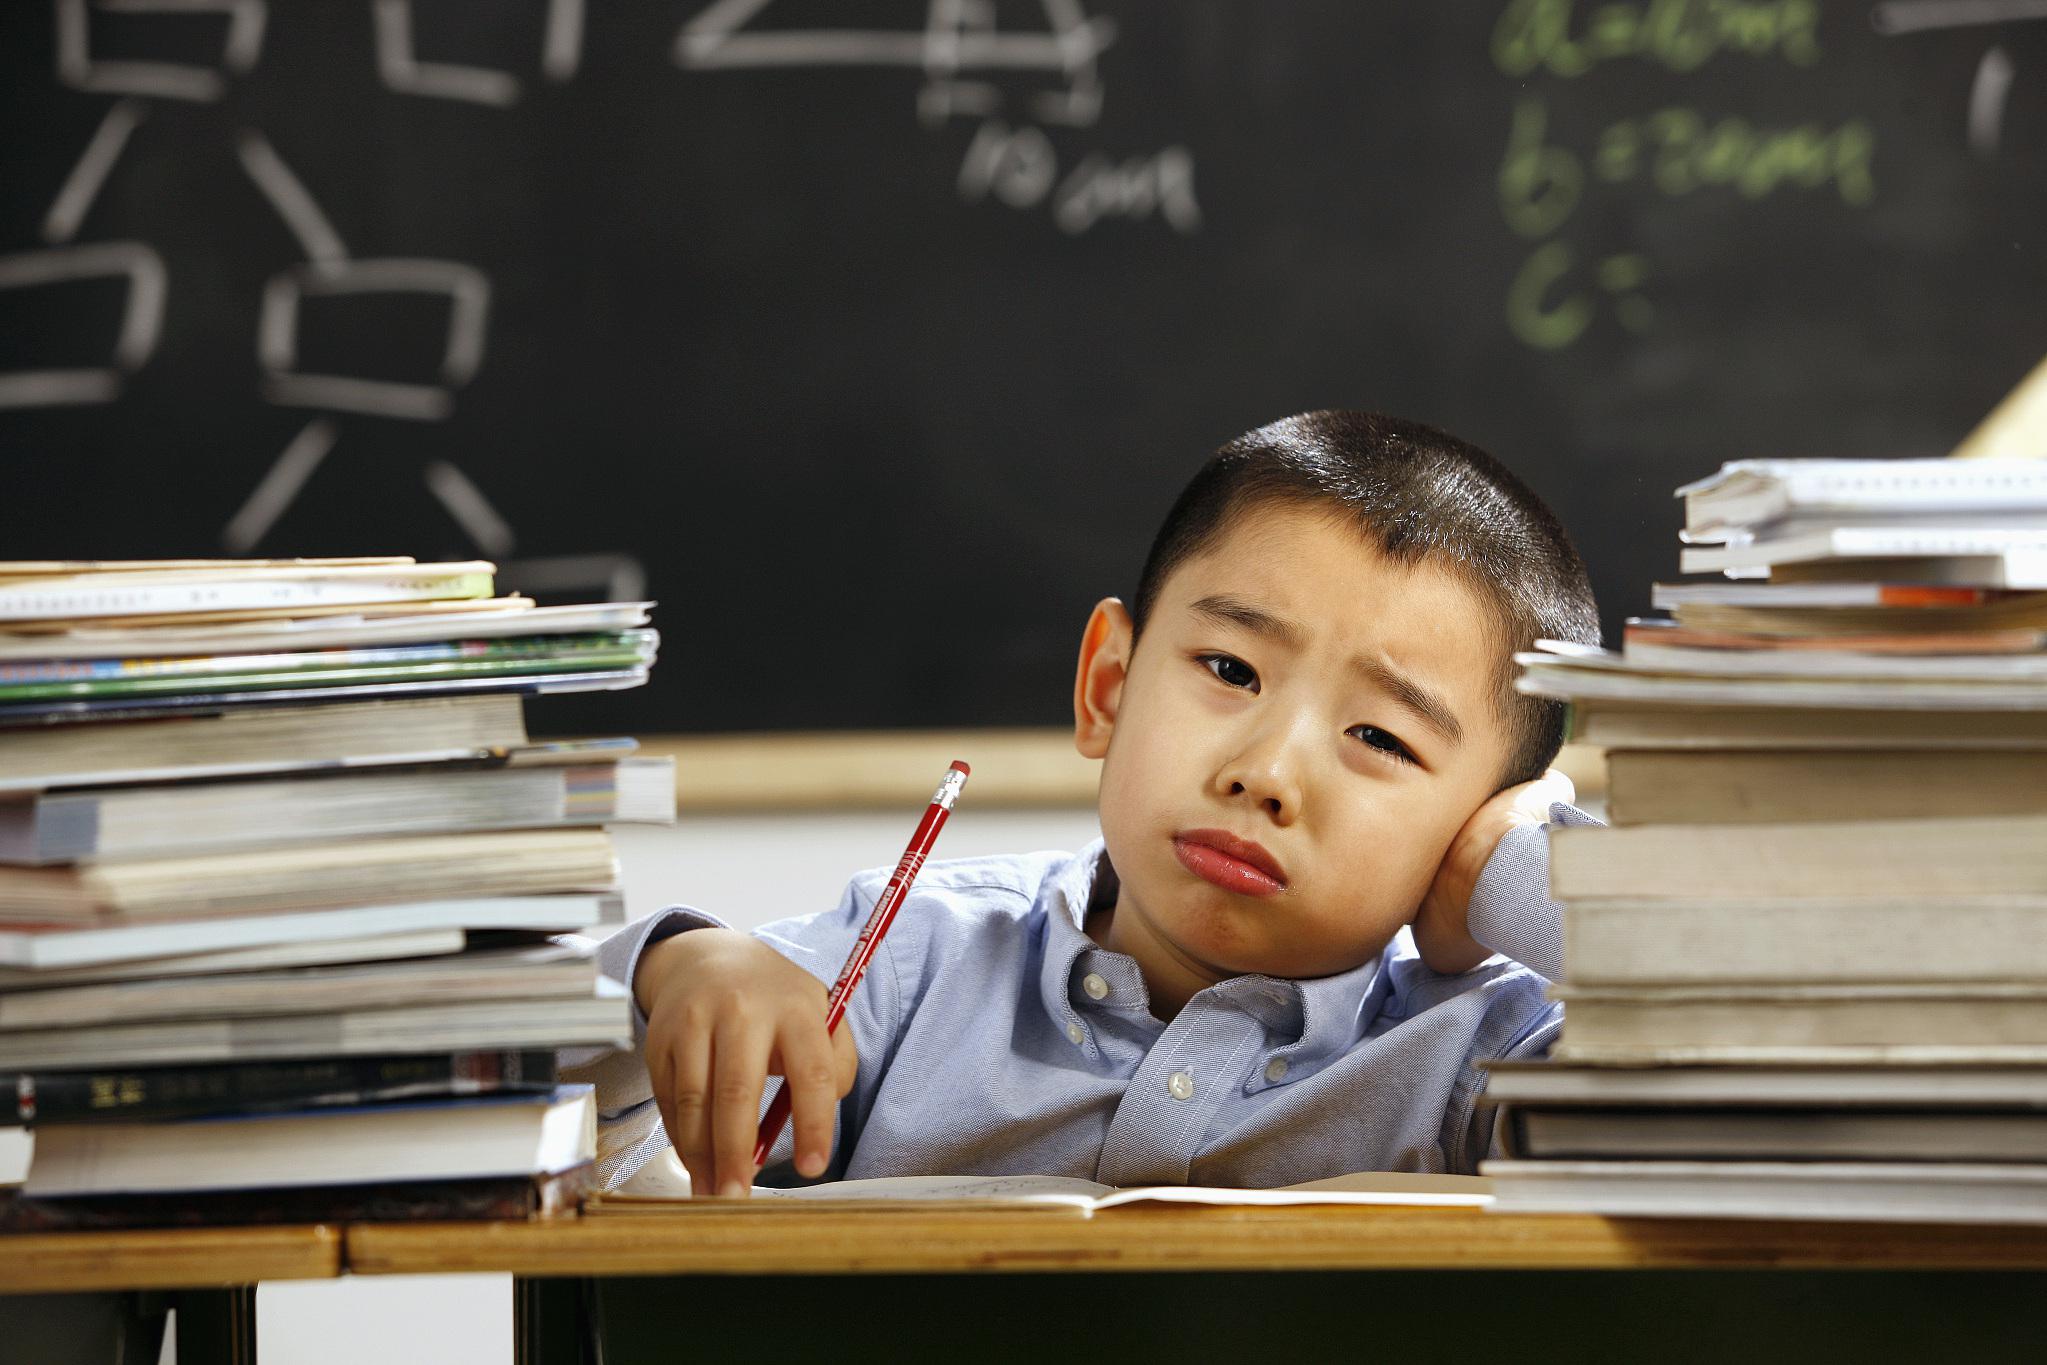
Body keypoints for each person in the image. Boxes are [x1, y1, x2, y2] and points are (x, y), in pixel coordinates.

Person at [567, 409, 1603, 1197]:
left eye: (1379, 736)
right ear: (1108, 685)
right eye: (1231, 669)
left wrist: (1531, 873)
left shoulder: (1482, 1058)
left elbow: (1760, 1105)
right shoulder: (906, 964)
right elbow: (576, 1131)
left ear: (1477, 814)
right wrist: (675, 969)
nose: (1266, 774)